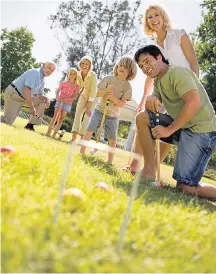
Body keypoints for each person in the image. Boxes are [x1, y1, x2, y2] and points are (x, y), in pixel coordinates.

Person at [123, 4, 199, 174]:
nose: (154, 19)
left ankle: (154, 168)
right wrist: (144, 98)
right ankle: (133, 166)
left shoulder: (179, 35)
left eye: (156, 15)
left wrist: (194, 89)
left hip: (184, 88)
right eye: (150, 17)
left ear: (163, 16)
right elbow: (150, 74)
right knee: (143, 119)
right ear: (147, 23)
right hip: (163, 89)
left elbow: (193, 63)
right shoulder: (152, 47)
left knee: (172, 127)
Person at [134, 45, 216, 199]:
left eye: (147, 61)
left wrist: (168, 129)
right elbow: (154, 101)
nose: (145, 68)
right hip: (183, 127)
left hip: (203, 132)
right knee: (143, 117)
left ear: (159, 57)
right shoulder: (158, 80)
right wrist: (151, 99)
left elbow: (193, 103)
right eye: (141, 66)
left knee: (186, 188)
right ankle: (149, 170)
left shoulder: (177, 72)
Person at [80, 56, 137, 164]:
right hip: (99, 110)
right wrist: (106, 91)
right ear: (116, 67)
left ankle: (110, 161)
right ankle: (82, 152)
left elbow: (121, 104)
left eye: (126, 67)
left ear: (130, 72)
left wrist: (113, 98)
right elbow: (97, 93)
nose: (122, 68)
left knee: (112, 139)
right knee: (89, 130)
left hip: (113, 115)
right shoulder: (108, 79)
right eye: (120, 65)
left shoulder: (127, 86)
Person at [1, 62, 56, 130]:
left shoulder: (42, 81)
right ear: (43, 65)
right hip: (14, 95)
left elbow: (39, 95)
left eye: (52, 70)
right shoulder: (35, 72)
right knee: (6, 122)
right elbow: (27, 89)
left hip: (24, 98)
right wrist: (31, 107)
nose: (50, 71)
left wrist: (47, 98)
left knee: (42, 101)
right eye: (49, 68)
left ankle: (30, 125)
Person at [69, 56, 97, 143]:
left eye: (87, 64)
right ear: (80, 64)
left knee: (87, 118)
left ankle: (82, 141)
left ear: (90, 66)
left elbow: (93, 90)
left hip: (93, 97)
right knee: (77, 115)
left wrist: (89, 105)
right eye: (83, 63)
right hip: (84, 95)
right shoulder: (78, 74)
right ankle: (73, 139)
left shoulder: (93, 75)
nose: (84, 65)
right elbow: (79, 86)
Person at [46, 68, 80, 138]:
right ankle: (48, 133)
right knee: (55, 117)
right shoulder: (63, 83)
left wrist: (67, 99)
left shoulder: (76, 86)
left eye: (74, 74)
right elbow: (57, 91)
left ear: (76, 75)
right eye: (70, 74)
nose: (72, 75)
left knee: (61, 119)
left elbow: (75, 97)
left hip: (68, 103)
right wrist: (57, 97)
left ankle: (54, 135)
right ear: (68, 74)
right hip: (60, 101)